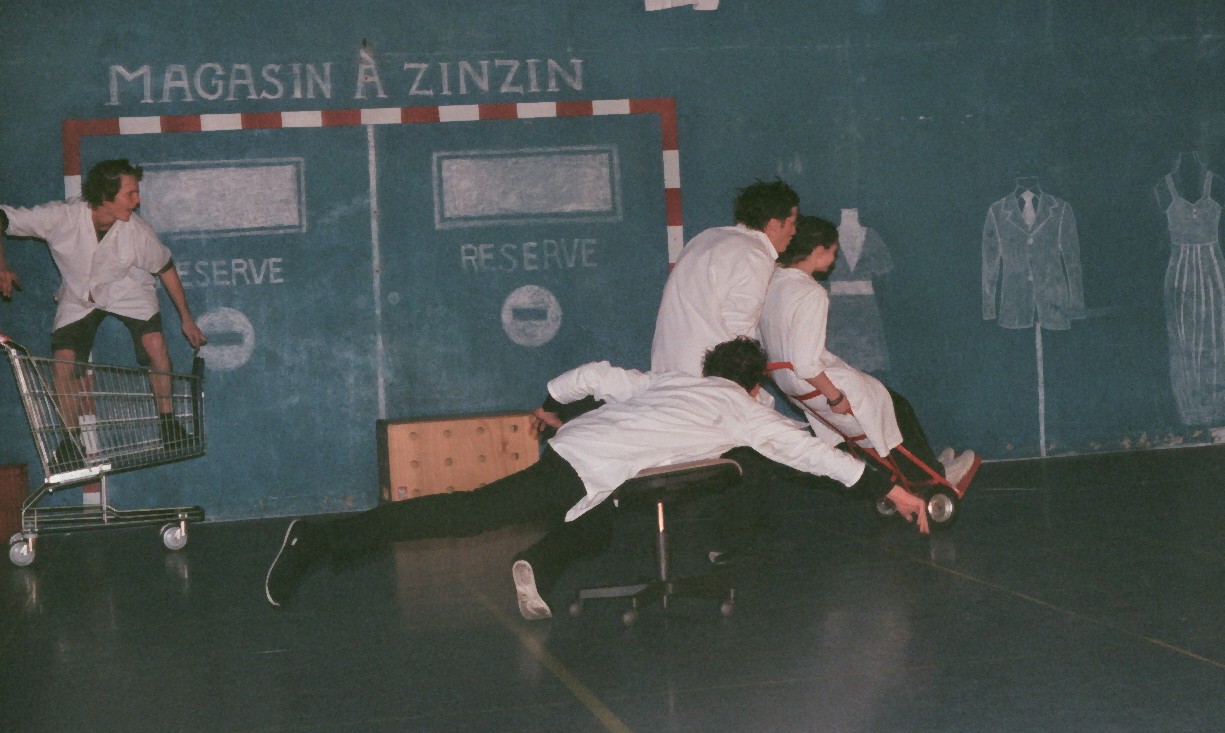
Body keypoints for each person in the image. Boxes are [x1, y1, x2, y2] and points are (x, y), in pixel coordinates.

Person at [264, 338, 929, 617]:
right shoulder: (746, 411)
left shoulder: (669, 381)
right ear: (753, 384)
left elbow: (592, 375)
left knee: (598, 522)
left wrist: (551, 402)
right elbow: (814, 454)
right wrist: (890, 487)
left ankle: (535, 563)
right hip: (587, 465)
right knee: (462, 513)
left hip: (580, 454)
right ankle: (317, 538)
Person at [0, 159, 207, 467]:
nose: (137, 200)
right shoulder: (61, 217)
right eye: (130, 194)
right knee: (63, 364)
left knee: (155, 345)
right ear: (105, 196)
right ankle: (72, 443)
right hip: (78, 295)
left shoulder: (137, 231)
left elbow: (165, 268)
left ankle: (168, 425)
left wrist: (186, 318)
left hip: (129, 289)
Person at [759, 214, 977, 485]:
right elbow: (806, 364)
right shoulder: (810, 293)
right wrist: (835, 398)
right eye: (833, 252)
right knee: (898, 408)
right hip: (815, 383)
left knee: (891, 407)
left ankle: (925, 465)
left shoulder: (773, 284)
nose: (834, 259)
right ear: (818, 251)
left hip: (790, 383)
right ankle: (932, 476)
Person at [651, 178, 799, 376]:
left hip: (667, 366)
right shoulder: (754, 254)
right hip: (707, 375)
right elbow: (739, 331)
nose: (794, 231)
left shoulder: (706, 238)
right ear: (773, 224)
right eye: (792, 223)